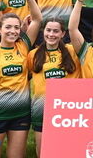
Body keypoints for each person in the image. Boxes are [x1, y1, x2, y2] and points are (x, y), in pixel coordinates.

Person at [0, 10, 44, 158]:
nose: (12, 31)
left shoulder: (23, 46)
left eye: (16, 27)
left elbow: (37, 19)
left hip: (20, 113)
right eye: (8, 27)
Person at [27, 17, 80, 146]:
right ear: (43, 31)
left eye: (56, 31)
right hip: (41, 108)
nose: (51, 34)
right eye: (48, 30)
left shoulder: (73, 51)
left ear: (63, 34)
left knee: (67, 148)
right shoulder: (33, 54)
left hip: (67, 108)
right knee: (43, 154)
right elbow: (23, 78)